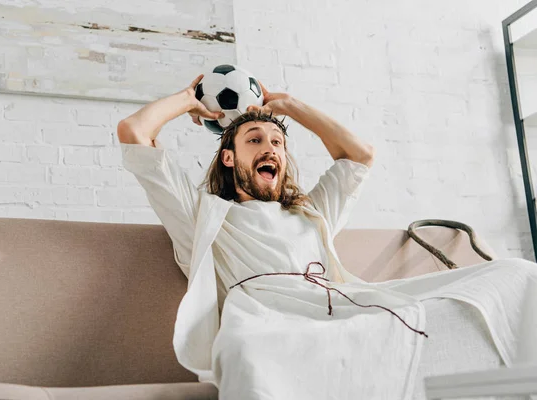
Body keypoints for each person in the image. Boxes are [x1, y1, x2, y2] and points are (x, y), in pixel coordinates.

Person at [117, 75, 537, 399]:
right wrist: (189, 98)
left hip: (342, 311)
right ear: (228, 157)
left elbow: (359, 155)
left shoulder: (310, 213)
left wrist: (290, 106)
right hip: (269, 324)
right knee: (247, 354)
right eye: (255, 139)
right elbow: (134, 131)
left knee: (516, 275)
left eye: (279, 142)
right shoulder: (203, 215)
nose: (272, 149)